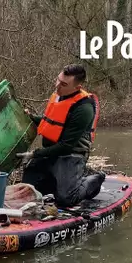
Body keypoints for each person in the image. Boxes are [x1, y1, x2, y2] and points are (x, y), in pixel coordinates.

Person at [17, 64, 105, 208]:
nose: (57, 86)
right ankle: (57, 182)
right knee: (29, 190)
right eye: (58, 80)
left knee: (66, 200)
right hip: (52, 152)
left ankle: (95, 179)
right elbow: (51, 123)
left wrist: (34, 154)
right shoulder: (60, 96)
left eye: (63, 84)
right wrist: (31, 117)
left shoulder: (84, 108)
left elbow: (66, 146)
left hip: (71, 155)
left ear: (77, 87)